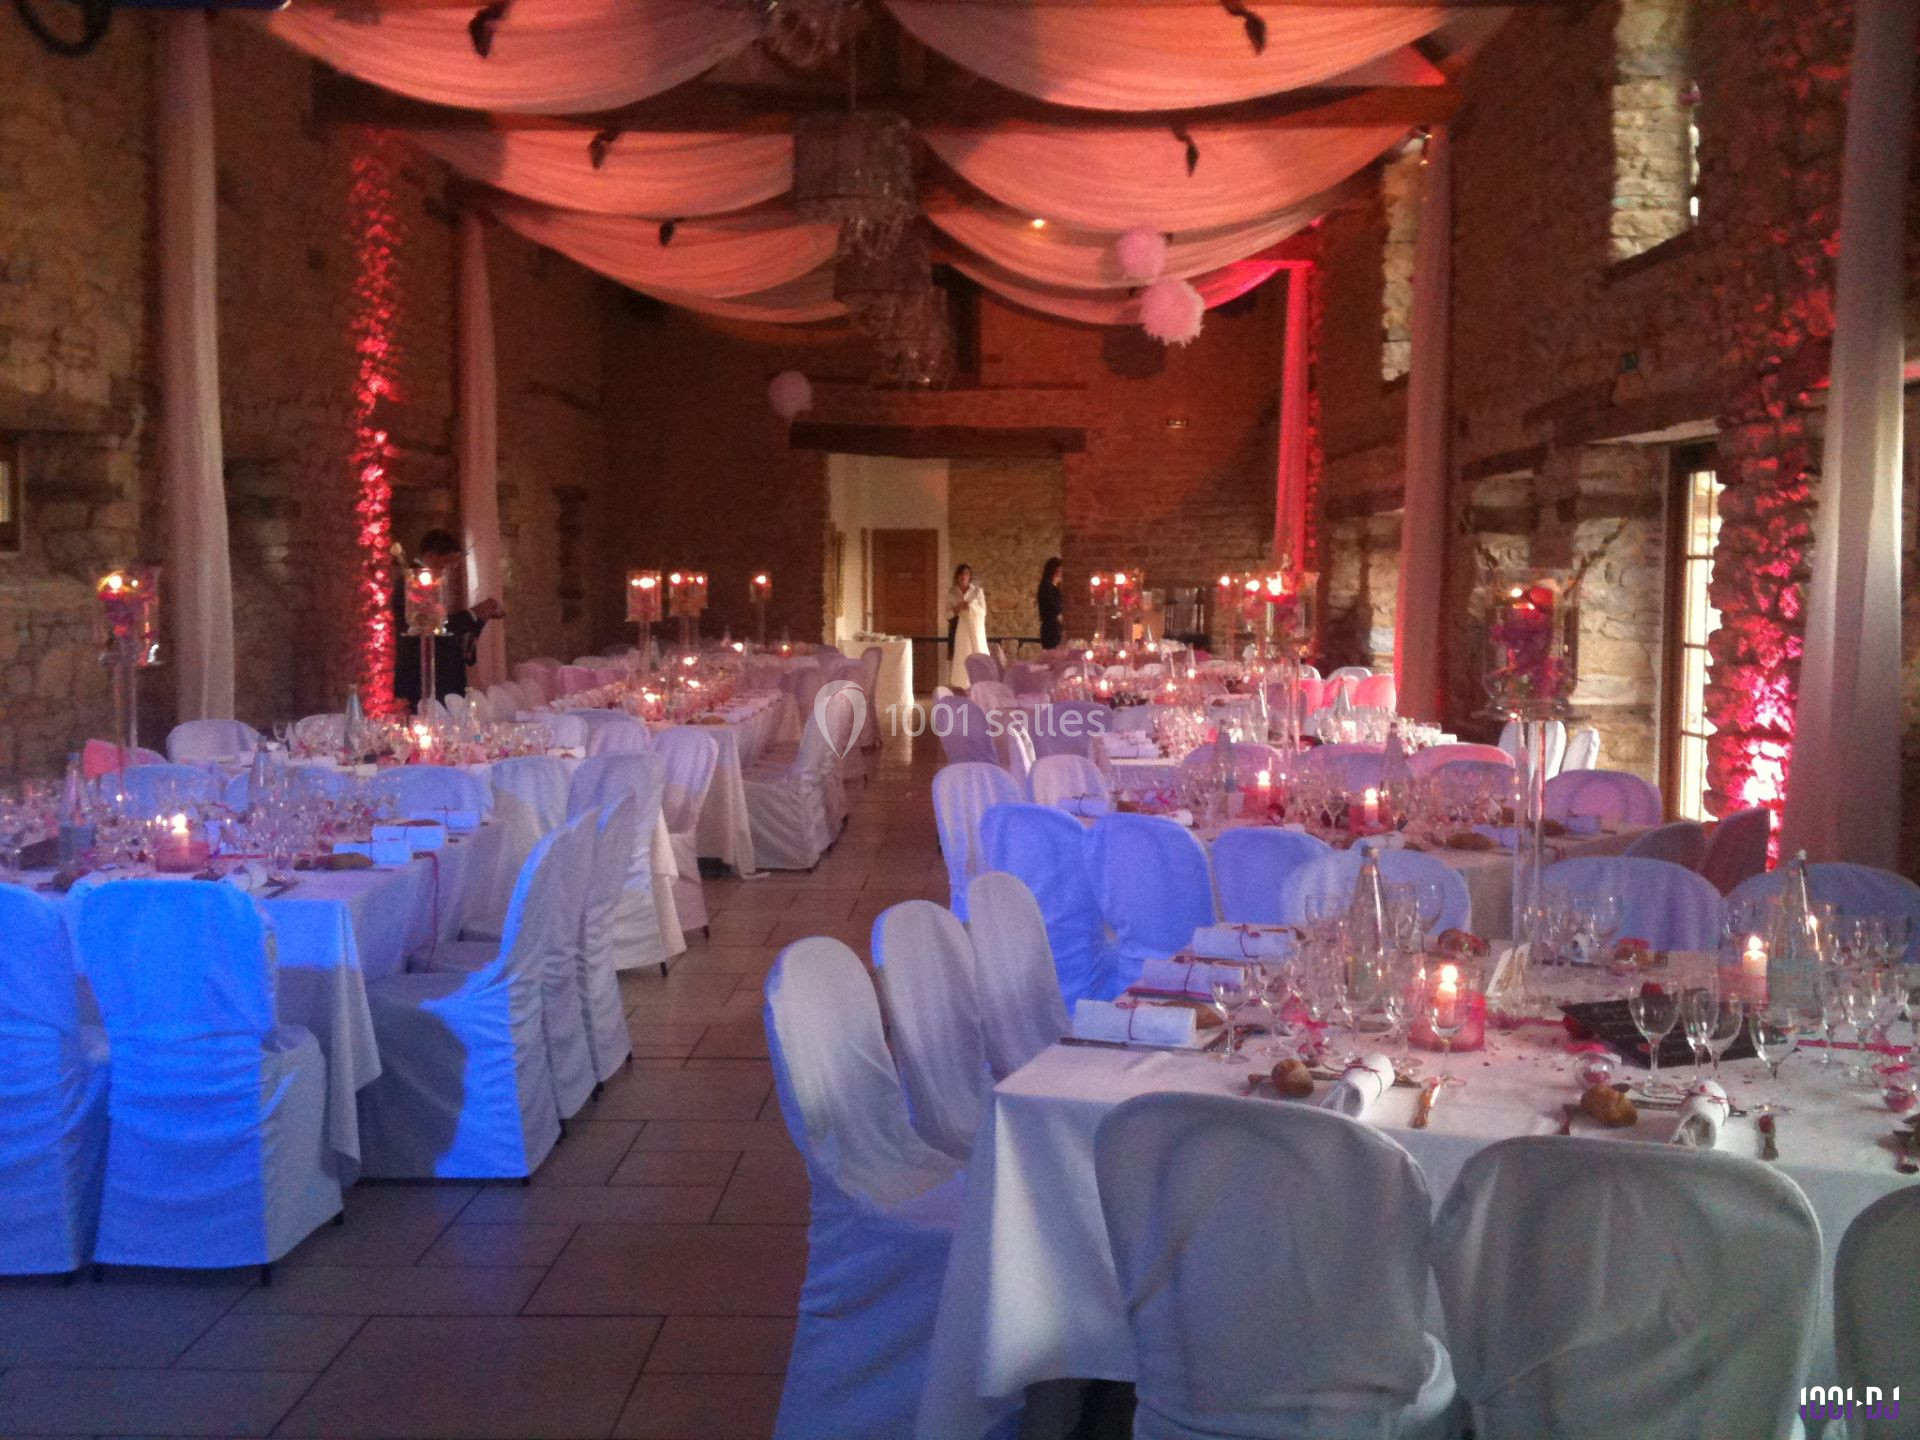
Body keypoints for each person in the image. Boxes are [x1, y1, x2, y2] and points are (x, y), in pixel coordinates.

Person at [392, 528, 503, 711]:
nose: (445, 570)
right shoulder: (412, 582)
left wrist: (479, 617)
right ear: (431, 555)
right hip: (422, 669)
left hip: (440, 670)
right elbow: (427, 625)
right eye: (444, 563)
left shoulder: (429, 582)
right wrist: (473, 613)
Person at [948, 562, 988, 690]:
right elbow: (947, 614)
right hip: (958, 626)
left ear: (969, 576)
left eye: (966, 574)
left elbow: (983, 611)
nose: (963, 577)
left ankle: (979, 685)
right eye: (960, 574)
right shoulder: (951, 593)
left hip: (975, 627)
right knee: (962, 654)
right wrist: (958, 609)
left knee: (977, 652)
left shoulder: (977, 591)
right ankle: (962, 686)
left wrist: (971, 607)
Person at [1036, 556, 1065, 650]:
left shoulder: (1047, 587)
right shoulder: (1049, 589)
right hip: (1053, 630)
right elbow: (1057, 613)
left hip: (1050, 629)